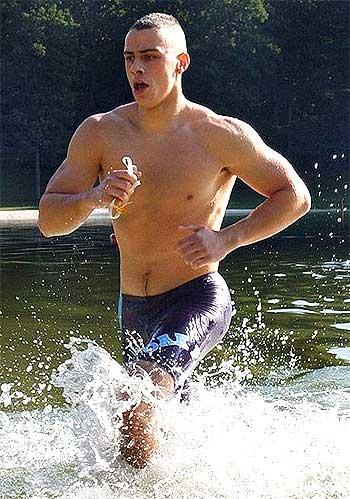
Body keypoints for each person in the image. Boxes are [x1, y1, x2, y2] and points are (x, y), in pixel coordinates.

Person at [38, 12, 311, 468]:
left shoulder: (219, 134)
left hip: (196, 297)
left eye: (149, 57)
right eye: (129, 59)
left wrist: (227, 240)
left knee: (137, 396)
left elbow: (295, 196)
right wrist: (94, 196)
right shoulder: (100, 132)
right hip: (133, 307)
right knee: (147, 422)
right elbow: (49, 219)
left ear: (180, 62)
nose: (136, 70)